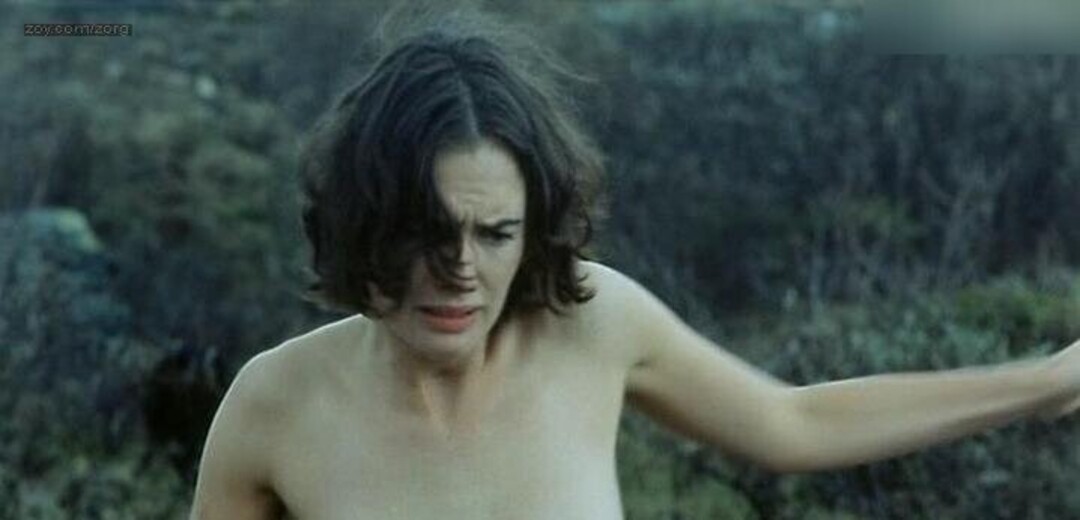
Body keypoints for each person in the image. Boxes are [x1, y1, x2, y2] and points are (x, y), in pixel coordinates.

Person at [188, 10, 1080, 520]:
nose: (460, 270)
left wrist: (1046, 383)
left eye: (495, 233)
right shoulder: (274, 405)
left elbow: (795, 422)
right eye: (427, 232)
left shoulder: (591, 326)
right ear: (364, 222)